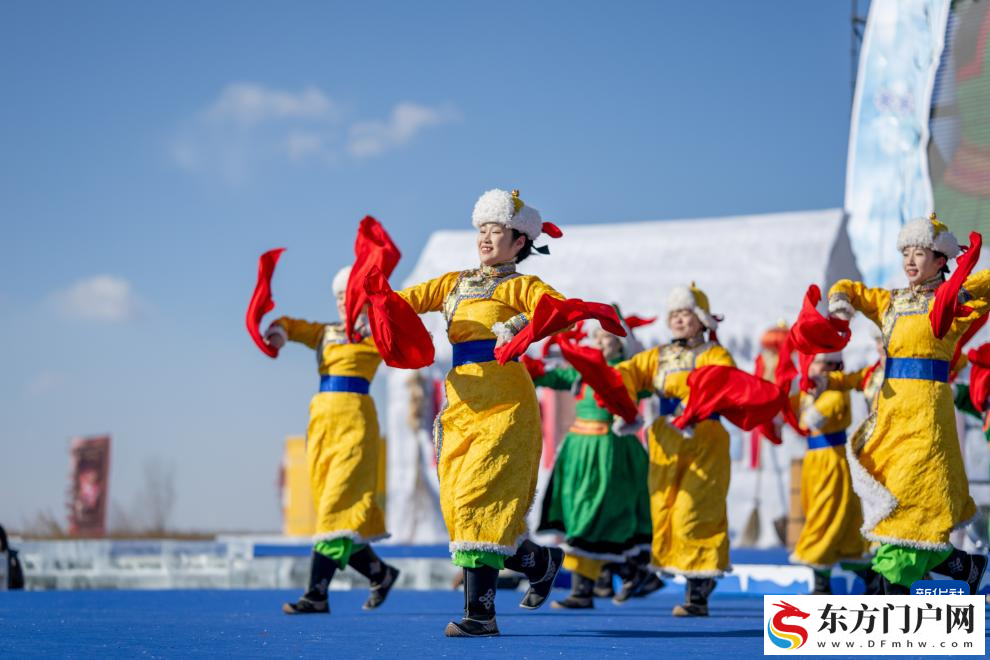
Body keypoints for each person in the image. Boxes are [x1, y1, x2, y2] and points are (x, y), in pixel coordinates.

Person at [379, 189, 578, 637]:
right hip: (462, 404)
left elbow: (557, 310)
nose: (486, 238)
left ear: (519, 241)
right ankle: (540, 561)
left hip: (505, 404)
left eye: (497, 230)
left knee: (481, 503)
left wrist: (524, 326)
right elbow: (400, 301)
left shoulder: (519, 285)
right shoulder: (453, 282)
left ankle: (481, 615)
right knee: (461, 506)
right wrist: (371, 297)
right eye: (482, 229)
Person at [825, 214, 989, 594]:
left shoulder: (954, 304)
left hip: (928, 416)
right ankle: (967, 568)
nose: (911, 261)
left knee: (915, 497)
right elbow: (848, 288)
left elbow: (986, 284)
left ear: (940, 260)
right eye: (906, 254)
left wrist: (962, 284)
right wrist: (841, 307)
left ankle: (891, 587)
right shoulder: (890, 302)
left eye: (920, 254)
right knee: (896, 497)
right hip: (892, 416)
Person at [265, 265, 399, 614]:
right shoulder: (326, 333)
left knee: (337, 505)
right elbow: (291, 326)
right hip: (323, 425)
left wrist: (381, 318)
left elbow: (408, 346)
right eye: (339, 296)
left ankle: (316, 594)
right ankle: (379, 573)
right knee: (333, 507)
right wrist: (278, 334)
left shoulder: (376, 334)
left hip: (356, 424)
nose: (343, 302)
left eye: (349, 295)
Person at [613, 283, 734, 616]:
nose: (679, 320)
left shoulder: (714, 353)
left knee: (694, 511)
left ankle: (698, 589)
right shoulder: (659, 355)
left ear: (700, 319)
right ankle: (697, 580)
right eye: (675, 314)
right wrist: (624, 406)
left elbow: (723, 382)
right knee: (665, 510)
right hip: (666, 439)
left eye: (686, 313)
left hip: (704, 438)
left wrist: (692, 403)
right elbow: (627, 373)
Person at [529, 314, 657, 609]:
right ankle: (584, 590)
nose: (601, 342)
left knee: (596, 516)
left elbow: (654, 386)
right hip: (578, 451)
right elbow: (548, 377)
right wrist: (524, 363)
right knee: (578, 518)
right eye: (597, 337)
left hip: (609, 450)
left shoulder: (627, 371)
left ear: (621, 344)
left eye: (608, 338)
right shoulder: (581, 371)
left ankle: (629, 573)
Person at [790, 353, 875, 595]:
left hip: (832, 461)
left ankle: (821, 584)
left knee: (825, 516)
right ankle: (870, 577)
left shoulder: (835, 394)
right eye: (817, 363)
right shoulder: (811, 392)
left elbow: (811, 421)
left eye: (826, 364)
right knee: (835, 521)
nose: (820, 369)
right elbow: (789, 409)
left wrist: (811, 398)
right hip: (814, 461)